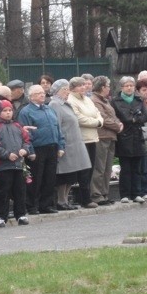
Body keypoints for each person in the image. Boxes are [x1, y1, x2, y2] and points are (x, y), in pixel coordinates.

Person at [49, 79, 96, 210]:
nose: (67, 91)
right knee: (64, 174)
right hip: (66, 144)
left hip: (75, 144)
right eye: (65, 89)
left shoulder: (66, 104)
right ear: (58, 91)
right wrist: (60, 144)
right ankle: (61, 201)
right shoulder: (55, 104)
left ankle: (65, 201)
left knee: (73, 174)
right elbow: (56, 125)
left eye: (67, 89)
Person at [19, 84, 65, 214]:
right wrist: (30, 150)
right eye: (38, 93)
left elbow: (57, 127)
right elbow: (25, 133)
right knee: (36, 178)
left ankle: (46, 205)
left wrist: (61, 145)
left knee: (49, 178)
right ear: (31, 96)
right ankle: (32, 205)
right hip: (38, 148)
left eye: (43, 92)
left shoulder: (49, 109)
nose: (42, 94)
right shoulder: (26, 112)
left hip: (52, 146)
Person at [0, 100, 32, 226]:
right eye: (5, 111)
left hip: (18, 164)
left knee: (20, 190)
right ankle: (2, 216)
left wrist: (24, 149)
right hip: (3, 166)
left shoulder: (17, 126)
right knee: (3, 191)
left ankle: (21, 215)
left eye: (10, 111)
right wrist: (7, 155)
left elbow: (26, 140)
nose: (8, 113)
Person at [111, 76, 147, 203]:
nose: (129, 88)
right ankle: (125, 194)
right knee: (126, 168)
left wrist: (134, 119)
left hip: (138, 137)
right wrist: (133, 118)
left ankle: (136, 193)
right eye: (126, 86)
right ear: (122, 87)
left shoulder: (139, 100)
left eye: (131, 85)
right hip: (124, 138)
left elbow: (145, 117)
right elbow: (124, 118)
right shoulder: (116, 101)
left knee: (137, 168)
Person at [66, 76, 102, 206]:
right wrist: (96, 122)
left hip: (93, 137)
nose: (83, 87)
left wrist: (98, 121)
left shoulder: (87, 99)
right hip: (81, 139)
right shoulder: (71, 100)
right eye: (80, 86)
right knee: (84, 170)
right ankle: (84, 198)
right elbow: (79, 118)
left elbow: (97, 113)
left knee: (91, 168)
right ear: (72, 88)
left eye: (84, 85)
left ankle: (87, 196)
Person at [90, 76, 123, 205]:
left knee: (107, 167)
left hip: (111, 136)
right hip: (101, 136)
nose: (109, 89)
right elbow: (103, 118)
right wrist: (117, 126)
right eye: (108, 86)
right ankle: (96, 194)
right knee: (99, 167)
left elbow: (113, 116)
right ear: (103, 87)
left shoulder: (105, 100)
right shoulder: (94, 100)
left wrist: (119, 123)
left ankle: (104, 193)